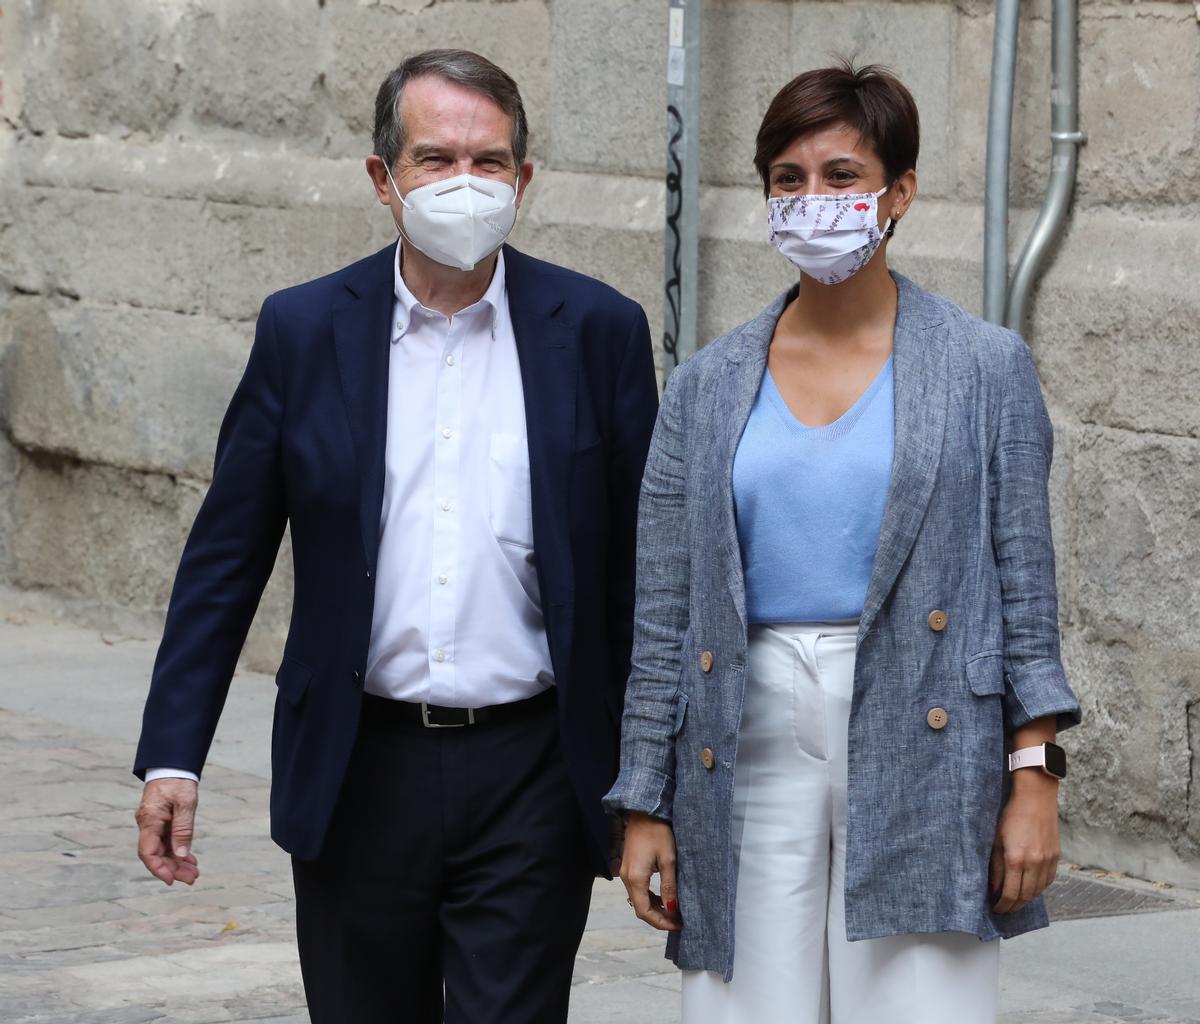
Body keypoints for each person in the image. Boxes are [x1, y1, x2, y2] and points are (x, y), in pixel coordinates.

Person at [132, 48, 659, 1024]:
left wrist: (652, 779)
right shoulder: (303, 332)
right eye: (436, 159)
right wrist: (174, 753)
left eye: (490, 161)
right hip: (357, 766)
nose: (466, 184)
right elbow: (224, 559)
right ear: (385, 179)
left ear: (524, 180)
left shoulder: (595, 331)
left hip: (532, 772)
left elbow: (639, 575)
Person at [605, 63, 1081, 1024]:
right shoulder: (706, 383)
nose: (811, 200)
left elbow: (1023, 584)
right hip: (743, 729)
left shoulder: (984, 367)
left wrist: (1033, 777)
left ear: (897, 193)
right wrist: (644, 799)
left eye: (840, 175)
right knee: (743, 1006)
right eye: (787, 178)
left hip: (927, 718)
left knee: (920, 1005)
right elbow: (664, 607)